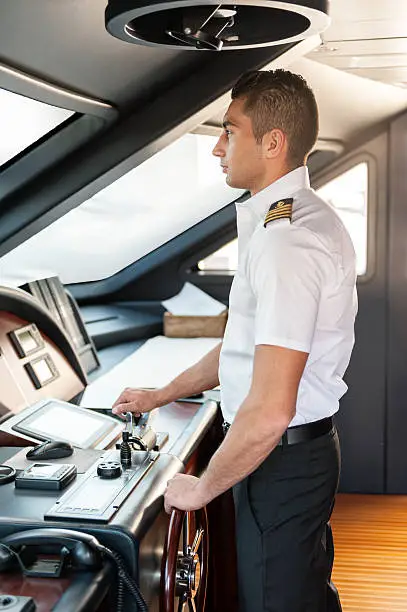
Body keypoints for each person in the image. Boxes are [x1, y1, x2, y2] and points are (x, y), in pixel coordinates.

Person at [112, 69, 358, 612]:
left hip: (281, 460)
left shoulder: (288, 242)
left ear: (273, 142)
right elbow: (243, 349)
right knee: (303, 595)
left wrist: (201, 490)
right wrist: (160, 394)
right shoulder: (278, 225)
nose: (217, 149)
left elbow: (270, 410)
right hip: (286, 456)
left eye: (229, 131)